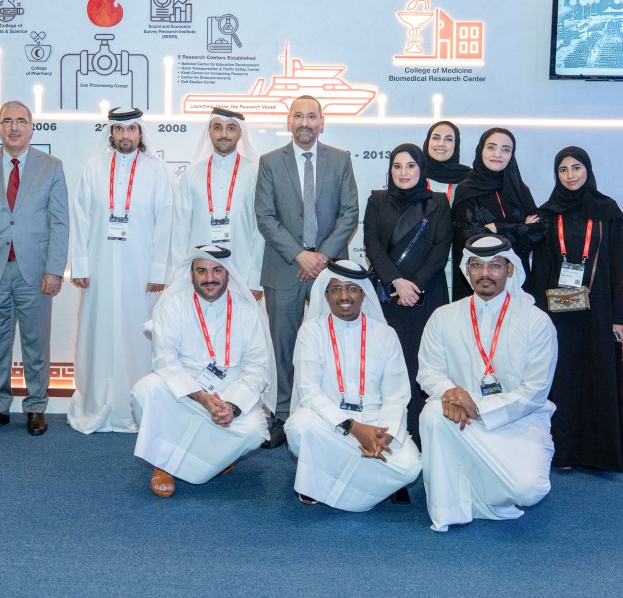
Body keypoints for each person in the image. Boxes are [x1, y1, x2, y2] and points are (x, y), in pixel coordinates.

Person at [417, 234, 558, 532]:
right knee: (432, 414)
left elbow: (535, 390)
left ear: (510, 269)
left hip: (518, 421)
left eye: (494, 265)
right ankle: (450, 507)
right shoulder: (443, 316)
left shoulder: (536, 321)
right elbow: (429, 371)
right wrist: (451, 394)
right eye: (477, 265)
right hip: (461, 417)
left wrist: (480, 408)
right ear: (466, 270)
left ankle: (478, 490)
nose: (485, 273)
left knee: (529, 490)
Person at [255, 95, 359, 448]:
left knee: (330, 345)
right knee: (283, 348)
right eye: (298, 116)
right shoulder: (270, 162)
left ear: (321, 122)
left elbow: (350, 213)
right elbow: (265, 216)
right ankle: (283, 415)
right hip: (285, 268)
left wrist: (322, 257)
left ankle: (329, 414)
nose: (305, 123)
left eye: (311, 116)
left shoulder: (340, 160)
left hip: (330, 273)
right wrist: (300, 255)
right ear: (289, 121)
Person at [0, 100, 69, 436]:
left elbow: (60, 222)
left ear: (32, 126)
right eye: (7, 121)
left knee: (36, 344)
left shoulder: (52, 166)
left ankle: (36, 406)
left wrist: (54, 269)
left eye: (21, 120)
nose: (14, 127)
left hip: (35, 272)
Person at [131, 245, 270, 497]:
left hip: (230, 391)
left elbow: (257, 368)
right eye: (202, 271)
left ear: (227, 273)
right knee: (146, 389)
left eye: (217, 270)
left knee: (255, 431)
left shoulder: (247, 311)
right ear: (192, 274)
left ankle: (214, 458)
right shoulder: (173, 305)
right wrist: (202, 397)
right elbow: (165, 361)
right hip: (185, 391)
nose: (209, 278)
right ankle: (163, 464)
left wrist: (231, 406)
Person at [285, 260, 422, 510]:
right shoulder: (311, 332)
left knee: (411, 467)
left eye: (351, 288)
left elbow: (396, 395)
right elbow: (309, 392)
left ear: (363, 293)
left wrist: (385, 436)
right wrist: (354, 428)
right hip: (329, 423)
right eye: (336, 289)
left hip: (375, 421)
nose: (344, 296)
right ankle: (367, 479)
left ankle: (323, 481)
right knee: (299, 426)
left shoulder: (385, 334)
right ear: (325, 295)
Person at [69, 107, 172, 433]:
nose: (126, 136)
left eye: (132, 130)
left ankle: (137, 404)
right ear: (111, 134)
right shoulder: (94, 168)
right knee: (98, 332)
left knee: (138, 334)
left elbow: (165, 222)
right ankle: (97, 401)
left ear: (140, 134)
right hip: (98, 270)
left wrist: (158, 272)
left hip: (140, 272)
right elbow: (80, 218)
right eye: (119, 130)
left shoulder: (157, 170)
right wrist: (80, 265)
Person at [529, 147, 623, 472]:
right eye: (563, 169)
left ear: (587, 169)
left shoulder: (607, 211)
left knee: (598, 375)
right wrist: (537, 314)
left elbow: (617, 267)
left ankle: (598, 455)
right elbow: (538, 267)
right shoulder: (546, 214)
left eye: (576, 167)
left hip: (598, 308)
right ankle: (563, 453)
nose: (570, 175)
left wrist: (618, 318)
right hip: (556, 310)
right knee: (562, 378)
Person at [362, 144, 452, 446]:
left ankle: (421, 434)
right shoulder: (377, 200)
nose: (403, 172)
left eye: (411, 166)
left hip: (426, 296)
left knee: (421, 365)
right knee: (389, 365)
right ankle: (388, 432)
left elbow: (441, 250)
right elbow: (372, 244)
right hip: (388, 297)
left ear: (421, 169)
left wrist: (415, 285)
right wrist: (397, 282)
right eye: (397, 166)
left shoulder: (438, 202)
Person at [171, 108, 264, 295]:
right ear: (209, 132)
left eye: (231, 128)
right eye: (217, 127)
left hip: (242, 272)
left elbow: (261, 231)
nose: (224, 134)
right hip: (199, 273)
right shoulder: (192, 174)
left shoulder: (255, 173)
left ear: (240, 133)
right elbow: (180, 229)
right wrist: (180, 276)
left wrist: (255, 278)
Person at [450, 127, 544, 300]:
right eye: (491, 147)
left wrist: (496, 228)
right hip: (480, 282)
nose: (498, 154)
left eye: (506, 149)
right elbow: (472, 238)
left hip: (517, 280)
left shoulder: (520, 190)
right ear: (481, 150)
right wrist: (520, 228)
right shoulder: (466, 189)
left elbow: (538, 231)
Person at [423, 122, 469, 297]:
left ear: (456, 145)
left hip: (458, 260)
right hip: (422, 263)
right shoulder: (413, 176)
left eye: (448, 139)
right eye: (436, 138)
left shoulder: (470, 181)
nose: (441, 144)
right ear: (428, 141)